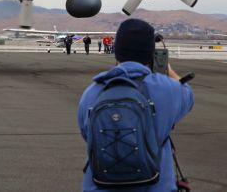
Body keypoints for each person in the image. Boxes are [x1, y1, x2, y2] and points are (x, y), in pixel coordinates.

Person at [77, 19, 194, 192]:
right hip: (156, 185)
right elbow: (189, 96)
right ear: (150, 54)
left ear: (117, 52)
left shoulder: (92, 91)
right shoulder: (170, 89)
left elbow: (88, 134)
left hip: (100, 186)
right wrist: (168, 71)